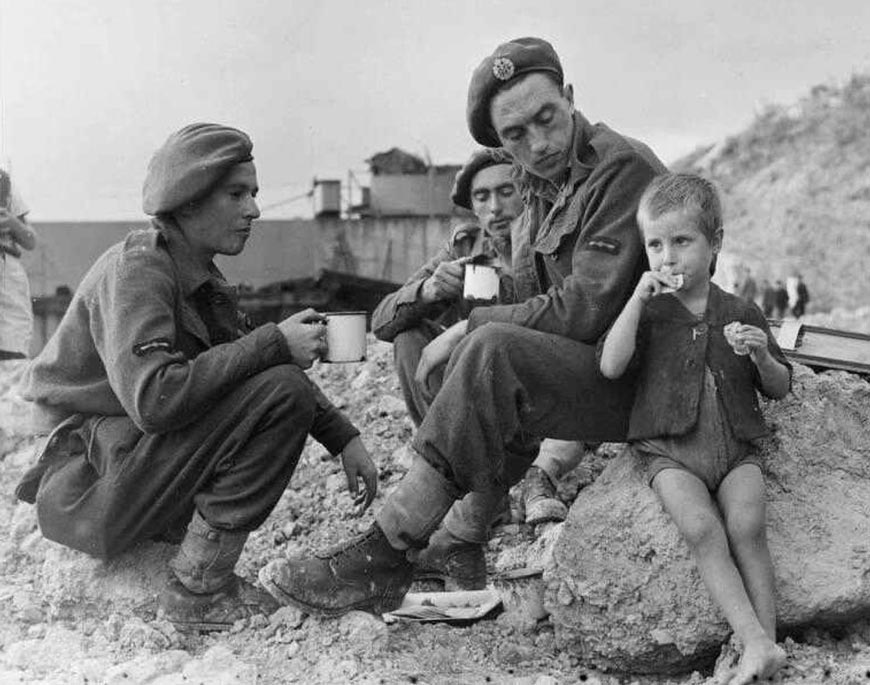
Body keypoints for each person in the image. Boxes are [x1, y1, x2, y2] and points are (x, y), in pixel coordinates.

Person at [259, 36, 667, 616]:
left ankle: (386, 551)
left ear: (571, 99)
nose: (537, 144)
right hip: (603, 374)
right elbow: (532, 300)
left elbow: (579, 310)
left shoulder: (617, 169)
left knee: (494, 347)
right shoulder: (543, 187)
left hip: (649, 385)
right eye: (515, 136)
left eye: (546, 119)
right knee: (489, 351)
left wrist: (470, 325)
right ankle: (454, 537)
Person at [15, 123, 378, 632]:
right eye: (236, 194)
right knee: (282, 391)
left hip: (127, 471)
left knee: (274, 383)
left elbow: (251, 365)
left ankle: (196, 574)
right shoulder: (139, 271)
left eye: (253, 194)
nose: (253, 210)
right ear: (186, 204)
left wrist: (343, 437)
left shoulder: (197, 275)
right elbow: (156, 400)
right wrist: (275, 342)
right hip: (88, 489)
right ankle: (197, 589)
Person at [598, 173, 790, 685]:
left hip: (736, 450)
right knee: (702, 529)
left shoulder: (741, 311)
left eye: (682, 241)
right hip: (669, 452)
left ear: (715, 244)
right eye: (655, 245)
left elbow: (778, 387)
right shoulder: (651, 309)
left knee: (748, 527)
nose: (667, 257)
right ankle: (753, 642)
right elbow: (611, 367)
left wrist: (761, 354)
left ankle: (763, 648)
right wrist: (635, 301)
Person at [371, 148, 587, 589]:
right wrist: (429, 290)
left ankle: (522, 483)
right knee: (410, 338)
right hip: (477, 407)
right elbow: (380, 322)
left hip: (546, 396)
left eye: (506, 191)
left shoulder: (555, 244)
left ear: (527, 192)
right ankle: (464, 481)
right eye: (482, 197)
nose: (495, 207)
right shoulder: (467, 248)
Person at [0, 168, 37, 360]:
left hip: (7, 270)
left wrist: (13, 223)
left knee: (13, 347)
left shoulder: (3, 182)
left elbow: (31, 241)